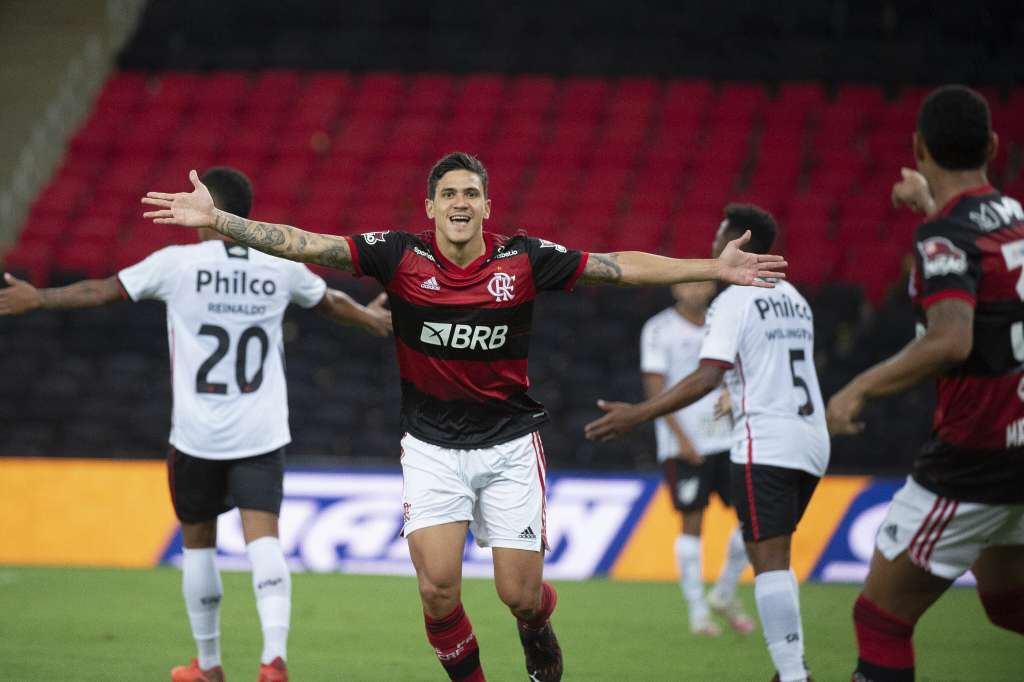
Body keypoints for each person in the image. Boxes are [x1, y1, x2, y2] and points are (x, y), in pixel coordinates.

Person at [140, 152, 787, 682]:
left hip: (508, 444)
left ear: (485, 205)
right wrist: (220, 221)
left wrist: (713, 266)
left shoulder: (522, 260)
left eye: (470, 192)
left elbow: (620, 267)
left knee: (519, 595)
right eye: (447, 192)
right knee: (438, 592)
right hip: (430, 448)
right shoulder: (397, 256)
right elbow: (308, 243)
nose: (458, 201)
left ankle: (536, 629)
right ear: (429, 206)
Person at [0, 166, 392, 682]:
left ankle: (208, 666)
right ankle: (273, 660)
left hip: (197, 436)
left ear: (209, 208)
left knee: (198, 543)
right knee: (265, 542)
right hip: (259, 432)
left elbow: (101, 291)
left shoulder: (176, 265)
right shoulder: (279, 266)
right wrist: (369, 319)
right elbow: (330, 301)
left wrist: (40, 298)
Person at [827, 85, 1024, 682]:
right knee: (1007, 603)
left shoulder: (943, 237)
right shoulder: (1013, 216)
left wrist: (858, 386)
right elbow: (976, 250)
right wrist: (932, 206)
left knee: (880, 618)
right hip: (1019, 444)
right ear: (992, 146)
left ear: (918, 146)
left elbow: (950, 339)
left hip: (974, 455)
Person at [585, 204, 827, 682]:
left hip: (765, 443)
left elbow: (706, 374)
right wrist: (735, 396)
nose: (713, 247)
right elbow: (771, 368)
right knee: (768, 553)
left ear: (734, 242)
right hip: (811, 441)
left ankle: (792, 673)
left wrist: (639, 413)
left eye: (719, 236)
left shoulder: (733, 299)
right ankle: (785, 665)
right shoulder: (794, 296)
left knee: (770, 560)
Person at [640, 281, 754, 636]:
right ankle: (698, 611)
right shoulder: (658, 328)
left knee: (752, 516)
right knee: (692, 523)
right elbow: (655, 391)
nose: (694, 289)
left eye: (701, 281)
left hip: (728, 438)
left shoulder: (723, 322)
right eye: (687, 282)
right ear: (674, 288)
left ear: (711, 286)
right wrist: (682, 439)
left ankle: (724, 591)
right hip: (684, 445)